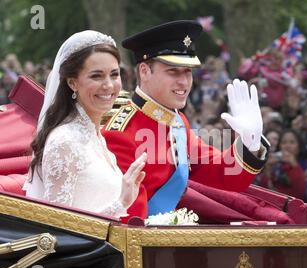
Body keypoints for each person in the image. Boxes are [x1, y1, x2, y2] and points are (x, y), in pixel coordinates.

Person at [102, 20, 270, 222]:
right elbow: (131, 221)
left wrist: (249, 143)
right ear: (145, 71)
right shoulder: (119, 133)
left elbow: (219, 172)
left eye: (188, 72)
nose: (183, 82)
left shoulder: (177, 121)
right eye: (173, 71)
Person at [24, 30, 146, 219]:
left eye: (114, 75)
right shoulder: (65, 141)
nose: (108, 85)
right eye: (96, 76)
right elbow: (57, 227)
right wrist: (121, 203)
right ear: (73, 83)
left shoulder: (96, 137)